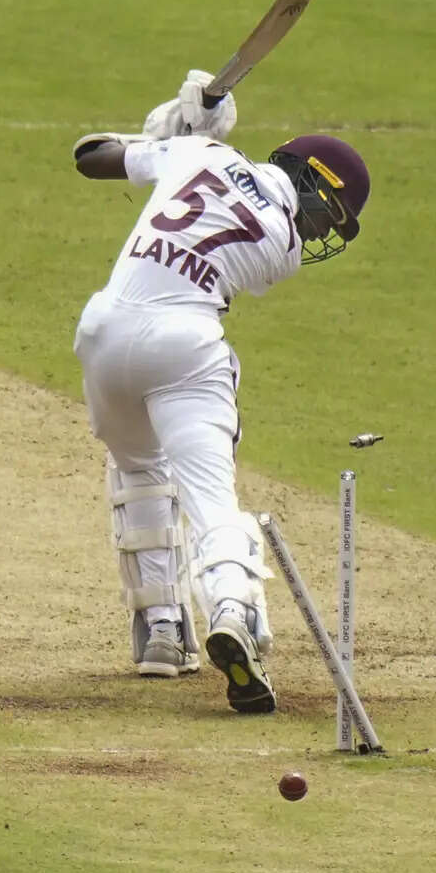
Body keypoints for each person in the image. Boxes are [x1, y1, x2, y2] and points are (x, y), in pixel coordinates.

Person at [71, 71, 371, 713]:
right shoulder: (281, 245)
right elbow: (235, 202)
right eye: (328, 214)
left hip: (101, 333)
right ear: (311, 180)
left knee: (138, 468)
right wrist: (189, 129)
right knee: (212, 499)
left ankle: (160, 632)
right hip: (182, 344)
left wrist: (179, 128)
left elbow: (90, 156)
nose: (316, 233)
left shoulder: (203, 154)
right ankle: (232, 611)